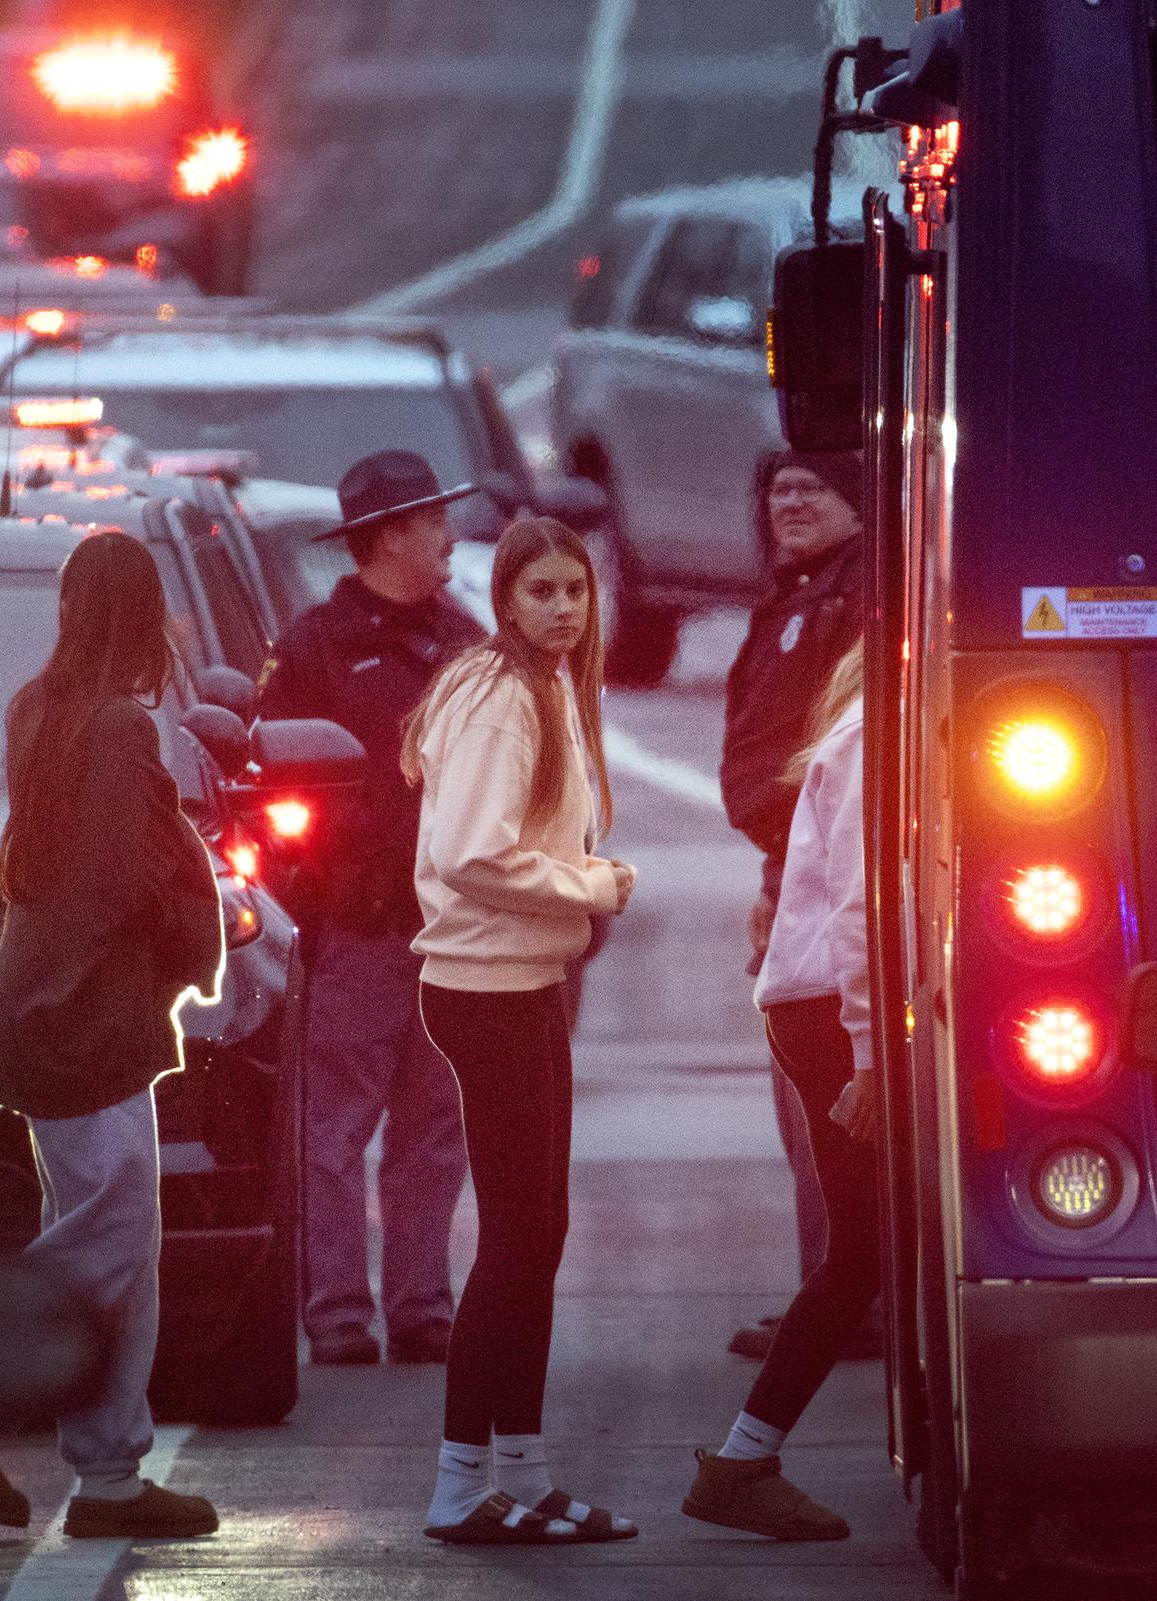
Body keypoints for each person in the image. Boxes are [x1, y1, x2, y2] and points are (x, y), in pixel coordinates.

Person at [0, 530, 222, 1541]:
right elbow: (131, 878)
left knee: (118, 1237)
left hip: (44, 1006)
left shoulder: (40, 707)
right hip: (87, 1015)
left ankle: (112, 1470)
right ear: (142, 613)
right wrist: (192, 925)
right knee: (113, 1240)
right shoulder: (122, 726)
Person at [403, 515, 638, 1546]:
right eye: (540, 590)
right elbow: (469, 850)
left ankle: (526, 1475)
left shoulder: (543, 685)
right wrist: (593, 884)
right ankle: (460, 1484)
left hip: (522, 976)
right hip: (487, 984)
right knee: (515, 1239)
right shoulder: (501, 694)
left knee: (539, 1233)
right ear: (505, 601)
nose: (561, 607)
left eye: (574, 590)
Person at [256, 450, 484, 1367]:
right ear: (388, 535)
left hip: (453, 932)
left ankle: (423, 1307)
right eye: (432, 521)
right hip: (356, 931)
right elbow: (270, 784)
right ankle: (340, 1313)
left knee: (435, 1131)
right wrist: (313, 888)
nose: (448, 535)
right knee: (334, 1132)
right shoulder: (313, 647)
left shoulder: (466, 645)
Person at [684, 647, 875, 1541]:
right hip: (831, 1011)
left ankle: (743, 1458)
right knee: (865, 1247)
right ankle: (741, 1460)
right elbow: (859, 910)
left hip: (825, 1008)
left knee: (874, 1243)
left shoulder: (857, 729)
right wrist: (871, 1055)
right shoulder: (875, 737)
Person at [719, 450, 869, 1361]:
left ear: (859, 502)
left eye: (813, 487)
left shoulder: (852, 597)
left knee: (820, 1085)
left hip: (822, 860)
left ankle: (843, 1293)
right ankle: (834, 1285)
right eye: (776, 488)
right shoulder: (798, 590)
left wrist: (787, 868)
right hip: (792, 858)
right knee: (804, 1094)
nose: (790, 502)